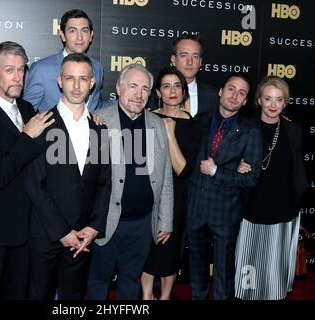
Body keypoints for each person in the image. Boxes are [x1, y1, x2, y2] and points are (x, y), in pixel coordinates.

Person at [25, 53, 111, 300]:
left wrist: (94, 227)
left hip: (83, 235)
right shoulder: (41, 124)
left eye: (83, 79)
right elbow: (34, 184)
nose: (76, 85)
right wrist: (62, 232)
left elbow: (104, 183)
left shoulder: (99, 128)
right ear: (59, 81)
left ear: (92, 83)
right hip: (46, 234)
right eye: (70, 78)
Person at [0, 41, 53, 299]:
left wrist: (95, 117)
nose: (18, 77)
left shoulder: (28, 109)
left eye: (21, 70)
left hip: (26, 230)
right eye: (10, 70)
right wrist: (27, 137)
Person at [86, 64, 174, 300]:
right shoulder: (99, 121)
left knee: (131, 280)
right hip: (106, 223)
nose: (139, 94)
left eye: (145, 89)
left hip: (143, 224)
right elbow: (87, 179)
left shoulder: (157, 124)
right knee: (98, 281)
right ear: (118, 88)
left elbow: (165, 176)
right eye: (133, 86)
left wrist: (165, 219)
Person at [186, 73, 262, 300]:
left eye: (241, 93)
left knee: (223, 273)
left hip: (225, 212)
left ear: (246, 101)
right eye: (231, 89)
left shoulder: (251, 131)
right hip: (196, 207)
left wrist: (218, 171)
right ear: (221, 91)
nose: (234, 95)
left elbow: (252, 179)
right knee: (196, 268)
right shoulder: (199, 120)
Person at [234, 76, 308, 300]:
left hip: (284, 208)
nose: (273, 105)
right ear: (259, 100)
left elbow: (297, 169)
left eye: (279, 99)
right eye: (268, 98)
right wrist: (236, 164)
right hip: (251, 207)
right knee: (250, 261)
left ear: (285, 103)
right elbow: (228, 158)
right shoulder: (244, 126)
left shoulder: (293, 130)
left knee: (275, 266)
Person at [141, 66, 201, 300]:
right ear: (158, 91)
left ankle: (165, 296)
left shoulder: (193, 124)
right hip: (147, 192)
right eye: (166, 86)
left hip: (178, 196)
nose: (172, 90)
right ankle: (146, 296)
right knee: (148, 249)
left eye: (177, 86)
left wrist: (169, 134)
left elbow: (182, 169)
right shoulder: (147, 118)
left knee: (169, 250)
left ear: (184, 91)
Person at [23, 9, 107, 112]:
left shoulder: (97, 67)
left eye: (84, 31)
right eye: (72, 31)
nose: (79, 37)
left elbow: (97, 105)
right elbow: (26, 112)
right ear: (63, 35)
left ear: (91, 35)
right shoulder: (41, 69)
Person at [170, 34, 218, 118]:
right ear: (173, 60)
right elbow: (140, 129)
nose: (190, 62)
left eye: (195, 56)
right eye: (184, 55)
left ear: (200, 62)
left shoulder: (214, 97)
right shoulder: (156, 95)